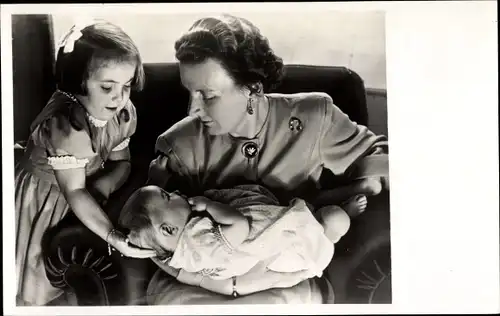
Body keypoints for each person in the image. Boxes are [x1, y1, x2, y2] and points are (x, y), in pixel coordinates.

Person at [143, 13, 389, 303]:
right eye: (190, 93)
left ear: (253, 88)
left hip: (287, 272)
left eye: (208, 95)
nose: (192, 110)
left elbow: (379, 156)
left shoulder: (314, 117)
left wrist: (366, 184)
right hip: (201, 280)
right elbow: (150, 230)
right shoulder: (178, 143)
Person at [14, 19, 156, 306]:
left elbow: (122, 161)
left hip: (82, 190)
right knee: (35, 278)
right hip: (47, 195)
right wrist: (113, 236)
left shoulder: (121, 113)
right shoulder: (66, 126)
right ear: (78, 81)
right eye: (107, 87)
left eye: (126, 86)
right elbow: (74, 191)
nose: (119, 98)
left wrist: (103, 185)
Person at [119, 184, 367, 286]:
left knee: (313, 215)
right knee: (333, 220)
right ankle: (340, 218)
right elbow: (239, 227)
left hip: (279, 247)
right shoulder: (196, 237)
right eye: (167, 196)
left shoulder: (180, 256)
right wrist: (208, 205)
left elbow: (181, 276)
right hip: (292, 248)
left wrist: (150, 254)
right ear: (168, 229)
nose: (174, 192)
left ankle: (321, 214)